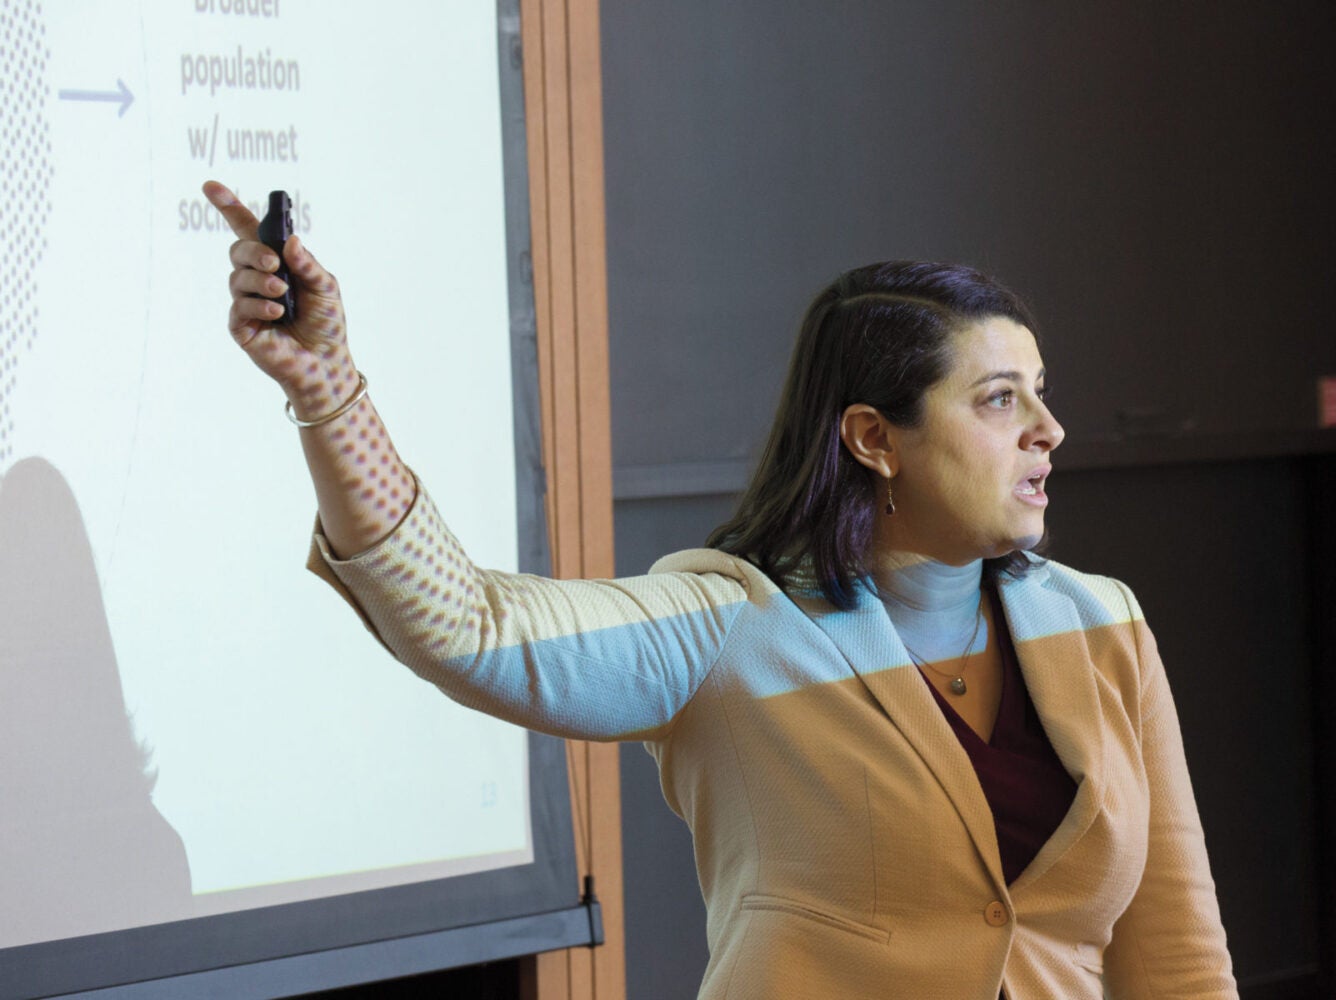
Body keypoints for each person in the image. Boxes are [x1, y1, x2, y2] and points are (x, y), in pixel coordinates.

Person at [205, 180, 1237, 999]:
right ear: (875, 438)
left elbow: (1179, 956)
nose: (1046, 430)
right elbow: (470, 625)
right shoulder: (733, 624)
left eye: (1041, 395)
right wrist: (331, 392)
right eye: (1000, 399)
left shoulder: (1103, 623)